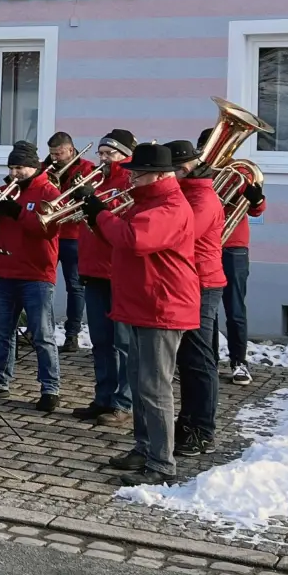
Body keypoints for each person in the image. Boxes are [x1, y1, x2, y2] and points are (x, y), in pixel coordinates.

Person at [83, 142, 198, 487]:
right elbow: (121, 241)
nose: (131, 178)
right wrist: (98, 220)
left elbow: (134, 239)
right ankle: (144, 448)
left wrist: (100, 214)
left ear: (159, 175)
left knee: (155, 388)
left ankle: (162, 463)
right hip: (142, 304)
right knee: (139, 382)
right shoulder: (147, 201)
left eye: (138, 174)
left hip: (161, 307)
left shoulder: (170, 206)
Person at [0, 142, 64, 411]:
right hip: (5, 270)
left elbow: (48, 230)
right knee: (2, 332)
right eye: (11, 168)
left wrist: (17, 212)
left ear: (34, 167)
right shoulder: (8, 191)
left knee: (42, 334)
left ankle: (50, 388)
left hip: (36, 274)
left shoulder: (49, 192)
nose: (14, 173)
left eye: (19, 168)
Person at [72, 129, 137, 425]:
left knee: (123, 343)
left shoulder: (130, 183)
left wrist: (97, 206)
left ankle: (123, 403)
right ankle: (103, 397)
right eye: (100, 153)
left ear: (126, 156)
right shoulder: (96, 180)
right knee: (100, 341)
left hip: (118, 272)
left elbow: (122, 224)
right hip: (92, 269)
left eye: (110, 154)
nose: (103, 159)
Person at [171, 140, 225, 458]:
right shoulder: (189, 192)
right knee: (189, 359)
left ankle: (203, 431)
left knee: (200, 360)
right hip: (191, 281)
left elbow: (181, 236)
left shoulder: (201, 198)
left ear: (183, 169)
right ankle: (188, 421)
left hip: (203, 282)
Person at [201, 126, 266, 385]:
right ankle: (209, 360)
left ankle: (239, 362)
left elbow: (257, 209)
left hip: (233, 246)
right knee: (208, 309)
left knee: (235, 307)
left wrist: (255, 198)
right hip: (206, 246)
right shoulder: (198, 173)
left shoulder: (238, 172)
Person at [47, 131, 96, 353]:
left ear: (70, 149)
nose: (55, 158)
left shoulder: (86, 168)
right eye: (52, 154)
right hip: (49, 233)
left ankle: (72, 334)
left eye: (59, 154)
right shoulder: (46, 168)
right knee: (41, 284)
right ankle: (39, 330)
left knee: (75, 286)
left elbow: (92, 200)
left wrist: (81, 192)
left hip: (73, 236)